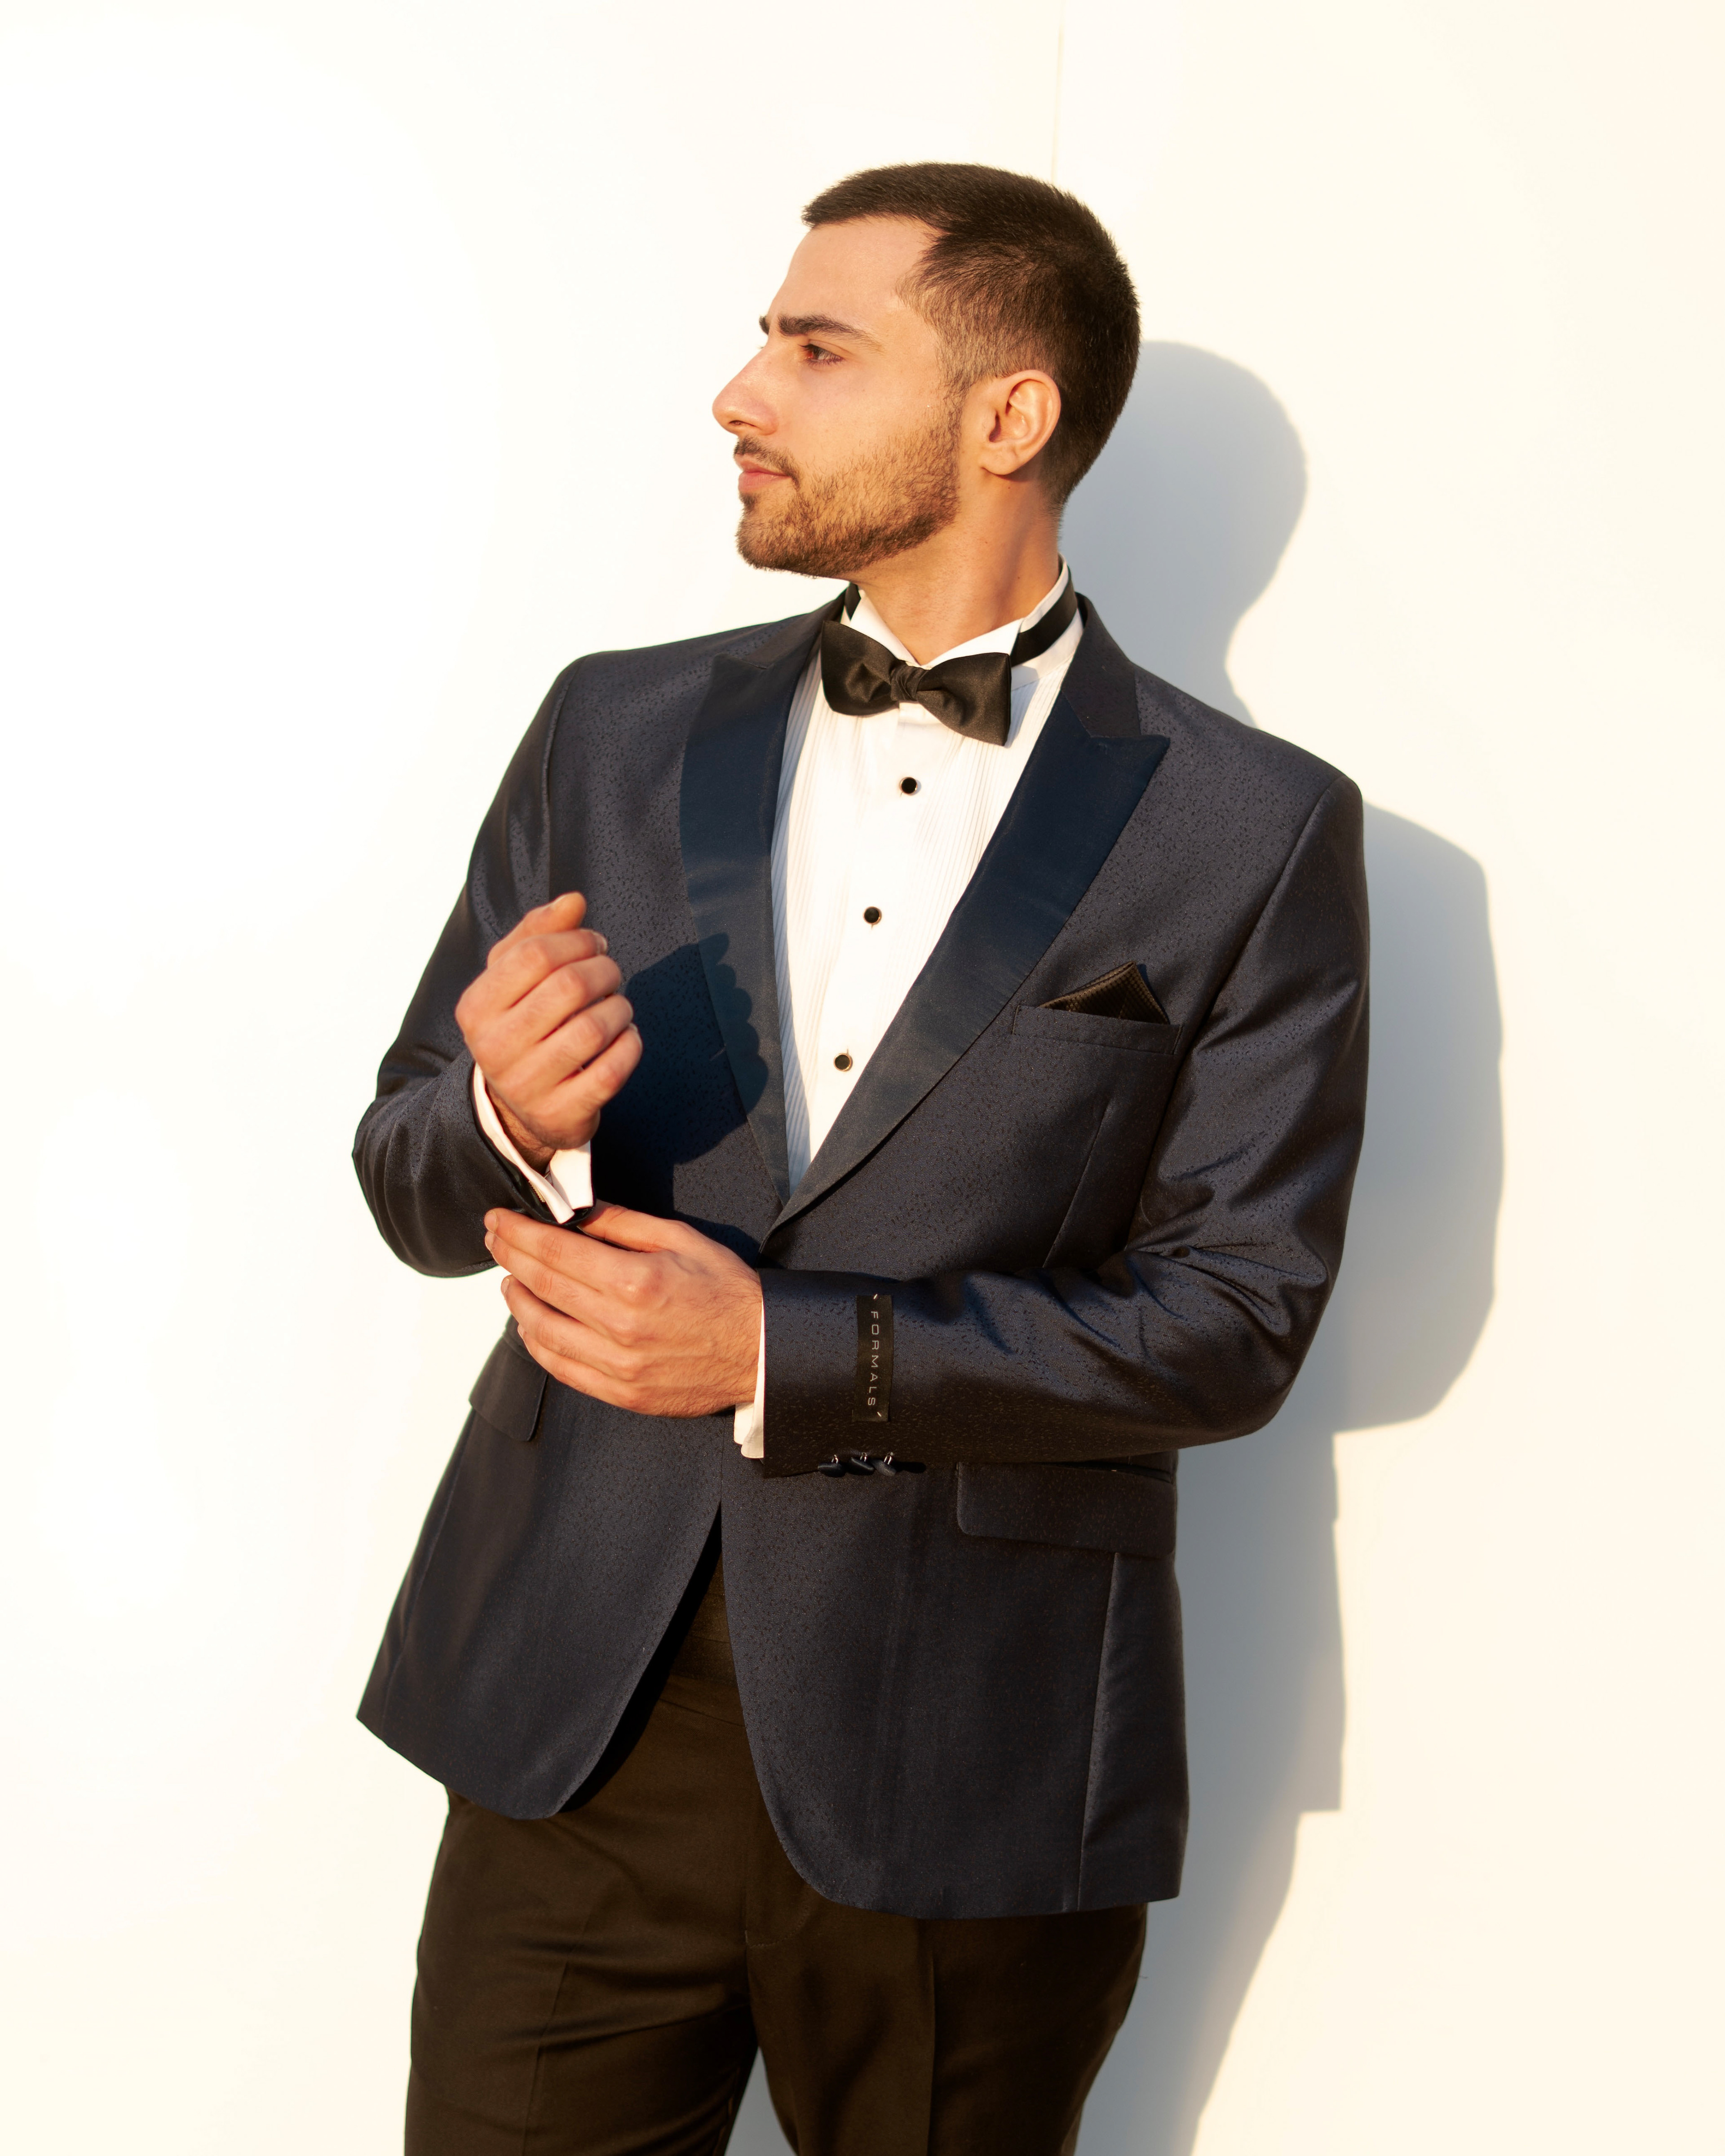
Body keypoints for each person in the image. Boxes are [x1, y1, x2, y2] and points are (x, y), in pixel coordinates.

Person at [354, 161, 1369, 2156]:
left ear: (1010, 415)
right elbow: (406, 1168)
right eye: (766, 340)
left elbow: (1238, 1321)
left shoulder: (1252, 830)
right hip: (572, 1722)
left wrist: (783, 1350)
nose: (741, 393)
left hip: (971, 1748)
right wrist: (500, 1119)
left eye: (818, 350)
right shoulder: (612, 730)